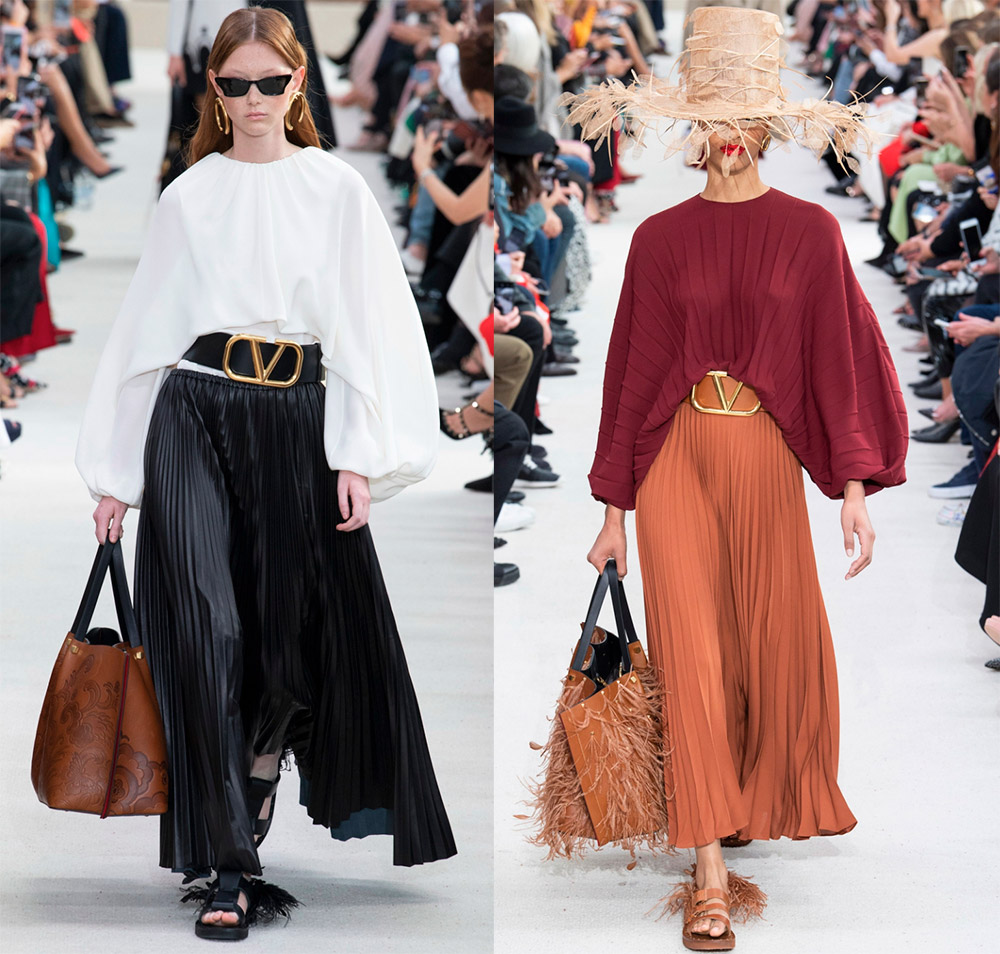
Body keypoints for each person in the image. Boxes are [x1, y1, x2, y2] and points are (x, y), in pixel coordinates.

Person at [74, 7, 456, 943]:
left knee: (281, 643)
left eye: (271, 83)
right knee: (205, 629)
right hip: (194, 415)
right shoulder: (188, 195)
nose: (254, 99)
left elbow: (370, 328)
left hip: (295, 421)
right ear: (214, 89)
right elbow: (144, 334)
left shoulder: (336, 190)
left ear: (298, 84)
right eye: (236, 84)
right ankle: (228, 866)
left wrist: (356, 453)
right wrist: (115, 472)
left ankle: (248, 798)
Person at [562, 7, 909, 951]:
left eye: (745, 116)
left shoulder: (811, 232)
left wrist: (854, 488)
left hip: (763, 454)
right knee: (693, 653)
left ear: (769, 125)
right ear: (692, 127)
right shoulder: (659, 239)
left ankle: (744, 795)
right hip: (676, 453)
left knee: (767, 641)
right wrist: (613, 511)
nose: (729, 134)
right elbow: (631, 377)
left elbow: (839, 360)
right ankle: (709, 869)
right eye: (713, 117)